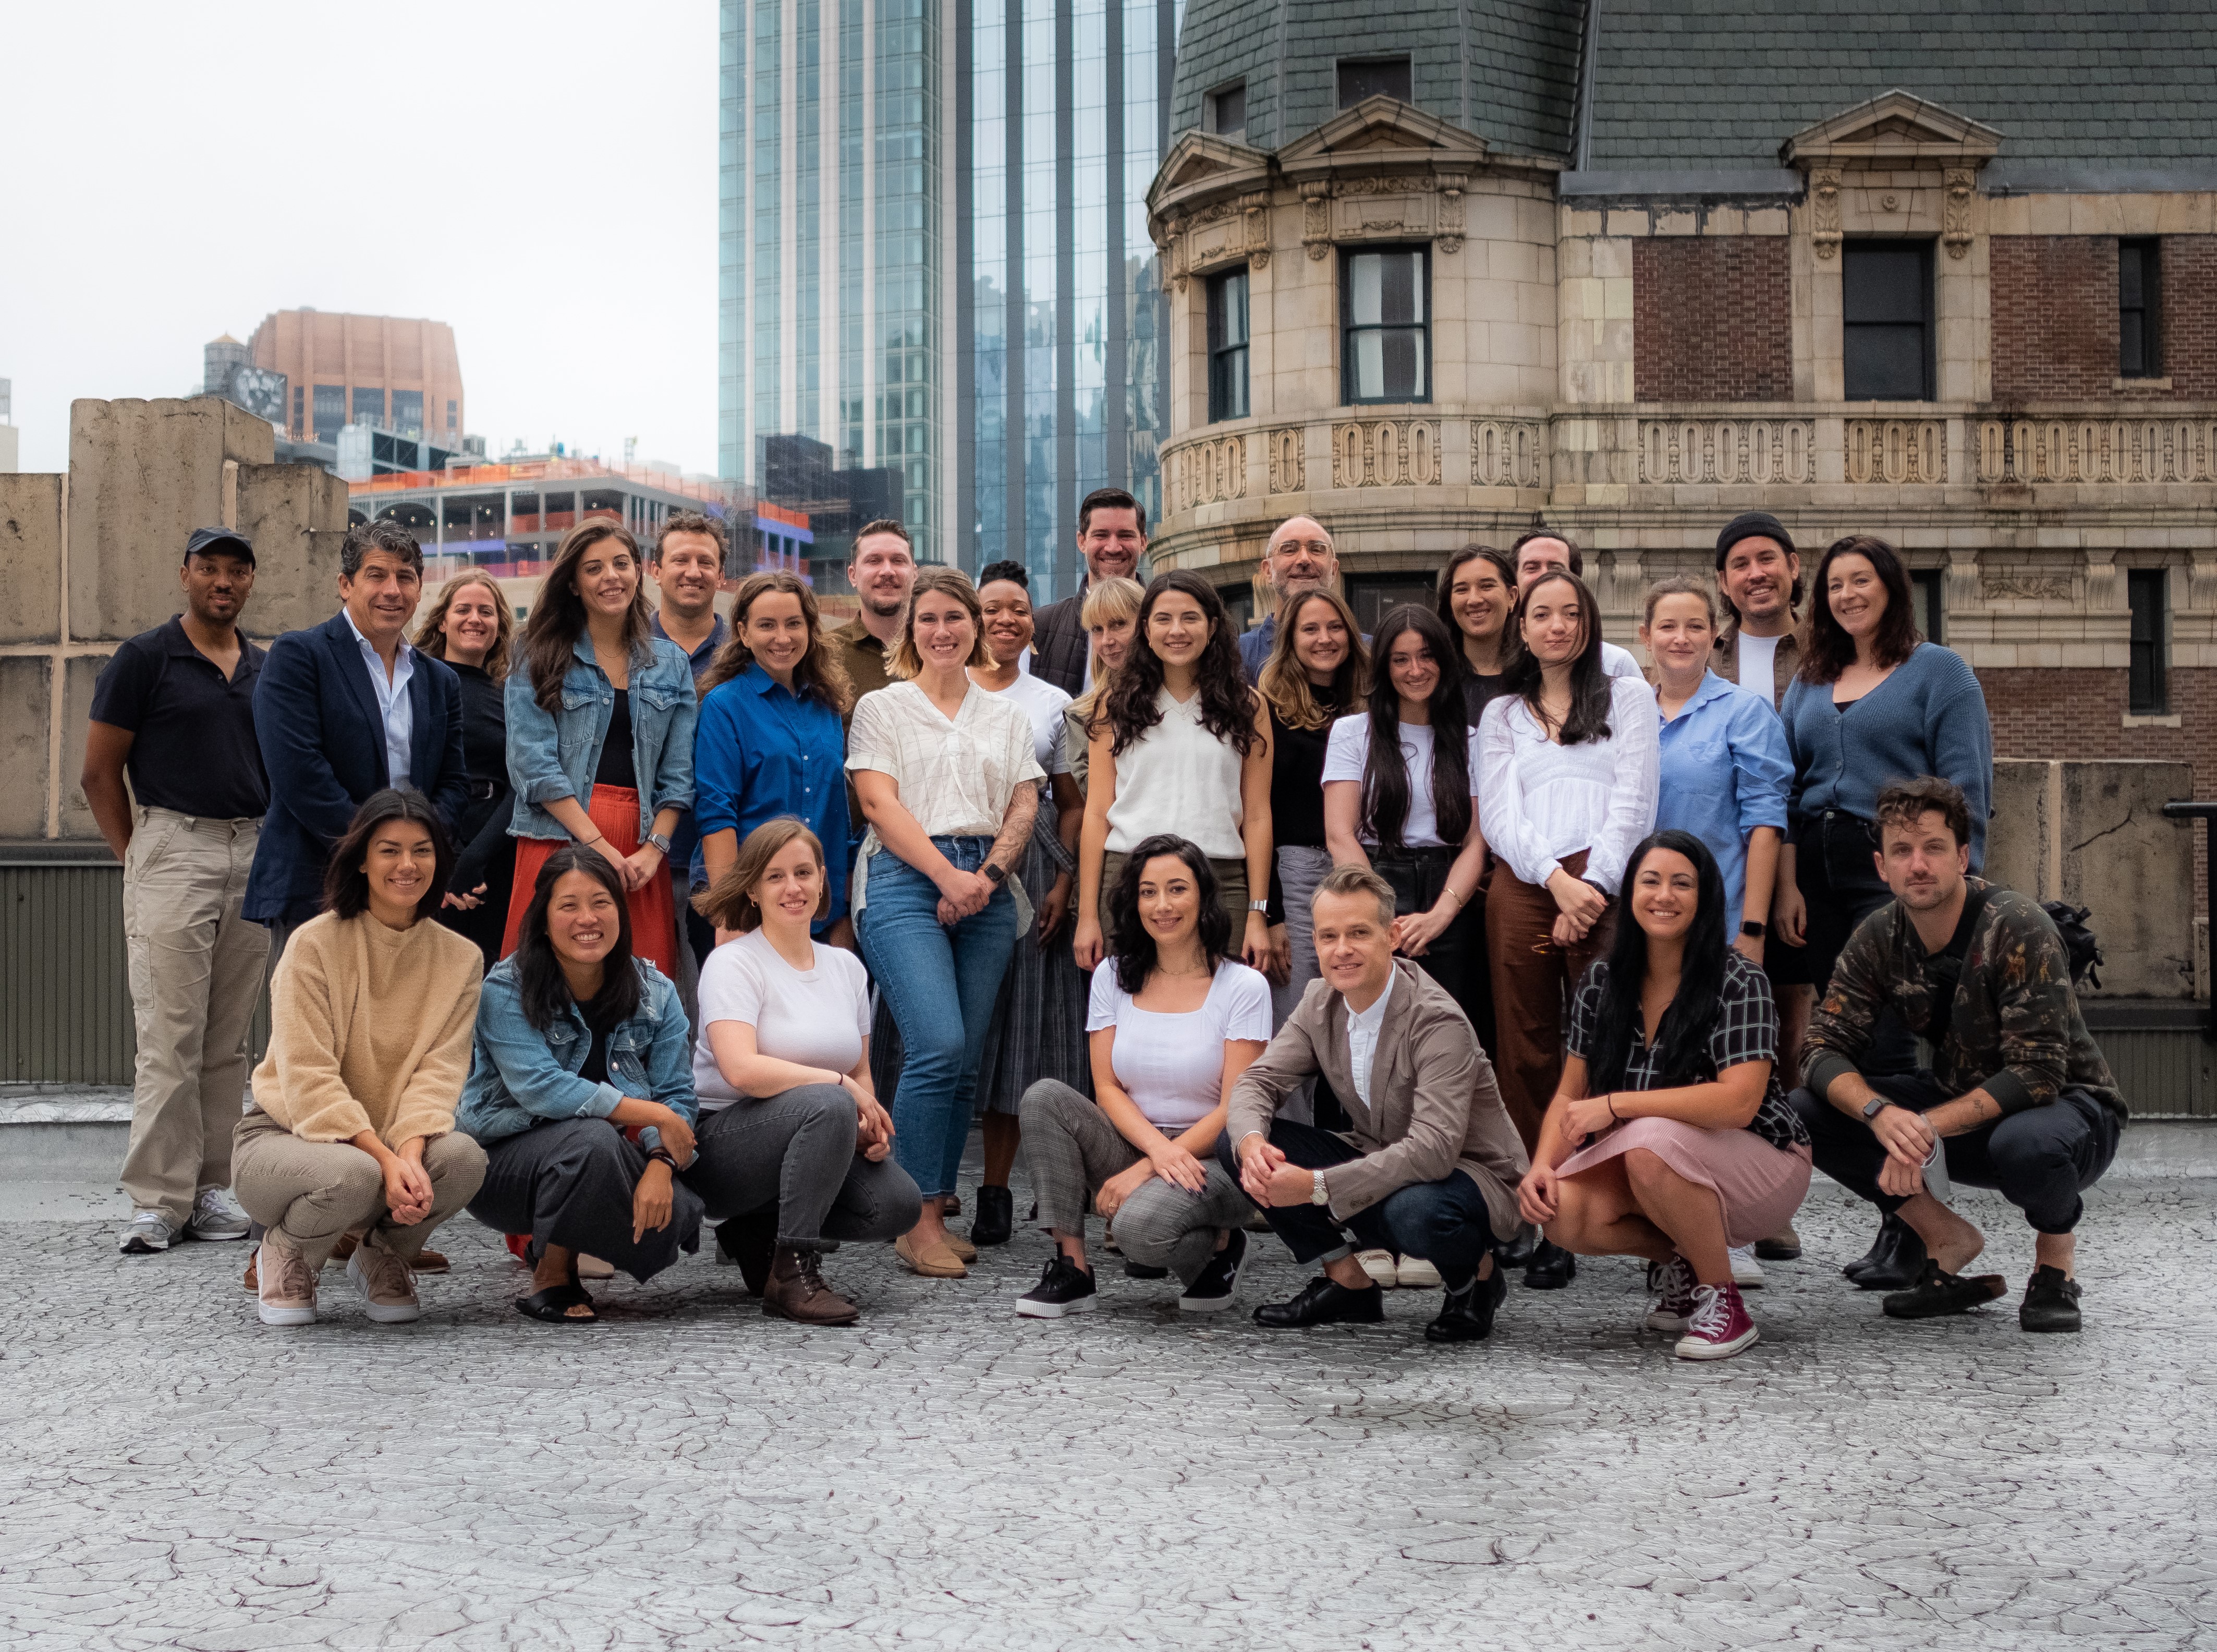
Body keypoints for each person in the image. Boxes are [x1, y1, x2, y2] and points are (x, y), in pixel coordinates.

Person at [1792, 779, 2123, 1334]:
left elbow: (2038, 1072)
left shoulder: (2016, 926)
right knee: (1804, 1112)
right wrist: (1882, 1115)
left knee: (2025, 1144)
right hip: (1963, 1108)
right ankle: (1944, 1237)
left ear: (1962, 856)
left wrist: (1921, 1127)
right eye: (1901, 851)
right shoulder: (1878, 936)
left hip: (2071, 1114)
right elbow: (1820, 1048)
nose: (1917, 865)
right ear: (1881, 866)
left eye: (1933, 848)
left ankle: (2055, 1261)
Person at [1774, 534, 1993, 1290]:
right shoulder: (1811, 678)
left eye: (1861, 581)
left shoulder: (1940, 673)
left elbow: (1966, 788)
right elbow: (1789, 782)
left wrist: (1961, 891)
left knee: (1893, 1061)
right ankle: (1907, 1221)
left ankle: (1914, 1230)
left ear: (1893, 588)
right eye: (1835, 585)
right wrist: (1789, 885)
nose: (1847, 595)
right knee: (1846, 1057)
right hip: (1819, 872)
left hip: (1894, 872)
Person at [1518, 831, 1812, 1361]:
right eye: (1650, 881)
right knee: (1560, 1210)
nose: (1664, 895)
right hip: (1660, 1161)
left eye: (1682, 884)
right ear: (1629, 892)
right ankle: (1686, 1265)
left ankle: (1725, 1304)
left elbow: (1738, 1104)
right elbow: (1570, 1092)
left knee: (1646, 1140)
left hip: (1764, 1163)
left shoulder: (1738, 979)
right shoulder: (1601, 982)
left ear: (1704, 899)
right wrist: (1541, 1165)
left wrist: (1616, 1106)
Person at [1221, 866, 1529, 1343]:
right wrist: (1253, 1142)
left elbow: (1433, 1150)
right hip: (1380, 1157)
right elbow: (1258, 1082)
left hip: (1471, 1176)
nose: (1341, 949)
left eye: (1359, 933)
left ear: (1392, 935)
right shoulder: (1319, 999)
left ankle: (1478, 1280)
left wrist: (1317, 1186)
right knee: (1240, 1145)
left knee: (1414, 1214)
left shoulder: (1436, 1019)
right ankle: (1349, 1284)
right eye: (1328, 936)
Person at [846, 566, 1041, 1278]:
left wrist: (984, 878)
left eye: (954, 618)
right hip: (904, 879)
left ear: (976, 625)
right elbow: (879, 804)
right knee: (936, 1042)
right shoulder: (884, 707)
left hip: (989, 886)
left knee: (964, 1064)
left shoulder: (1007, 715)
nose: (942, 631)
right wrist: (945, 875)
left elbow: (1024, 804)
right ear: (911, 630)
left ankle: (933, 1206)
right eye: (927, 619)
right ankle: (913, 1220)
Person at [233, 790, 488, 1327]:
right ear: (362, 860)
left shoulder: (460, 958)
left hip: (387, 1147)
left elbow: (440, 1073)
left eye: (422, 850)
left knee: (463, 1158)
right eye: (389, 850)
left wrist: (412, 1155)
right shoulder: (313, 945)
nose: (407, 865)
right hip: (283, 1141)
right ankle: (288, 1249)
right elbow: (309, 1078)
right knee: (352, 1173)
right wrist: (387, 1160)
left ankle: (382, 1254)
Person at [83, 526, 270, 1255]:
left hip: (250, 849)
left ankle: (213, 1188)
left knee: (226, 1042)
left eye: (237, 571)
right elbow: (100, 772)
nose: (223, 581)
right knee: (169, 1036)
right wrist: (139, 858)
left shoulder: (263, 665)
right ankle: (159, 1199)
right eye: (210, 568)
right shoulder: (145, 658)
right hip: (173, 843)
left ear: (251, 582)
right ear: (185, 573)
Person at [1479, 568, 1659, 1288]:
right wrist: (1553, 879)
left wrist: (1593, 886)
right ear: (1521, 628)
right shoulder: (1502, 716)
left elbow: (1635, 800)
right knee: (1525, 1048)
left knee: (1610, 1042)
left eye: (1570, 614)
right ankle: (1544, 1204)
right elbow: (1500, 813)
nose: (1556, 626)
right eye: (1542, 615)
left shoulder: (1628, 697)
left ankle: (1622, 1200)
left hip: (1608, 883)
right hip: (1526, 882)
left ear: (1588, 625)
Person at [1013, 836, 1270, 1317]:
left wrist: (1150, 1167)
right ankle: (1072, 1269)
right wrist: (1155, 1152)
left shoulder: (1243, 987)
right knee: (1045, 1097)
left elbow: (1237, 1108)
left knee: (1138, 1233)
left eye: (1177, 889)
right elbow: (1107, 1088)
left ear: (1204, 897)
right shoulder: (1112, 975)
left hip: (1215, 1157)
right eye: (1148, 892)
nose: (1162, 905)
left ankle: (1222, 1247)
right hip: (1140, 1141)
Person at [685, 820, 919, 1323]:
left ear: (821, 881)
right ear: (752, 888)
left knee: (897, 1205)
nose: (793, 888)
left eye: (804, 873)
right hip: (723, 1145)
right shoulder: (733, 963)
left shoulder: (846, 968)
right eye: (775, 876)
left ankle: (758, 1233)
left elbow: (859, 1068)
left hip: (816, 1126)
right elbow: (741, 1069)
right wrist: (839, 1090)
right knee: (829, 1100)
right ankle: (792, 1273)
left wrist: (867, 1126)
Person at [458, 845, 702, 1321]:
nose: (586, 918)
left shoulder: (658, 992)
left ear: (620, 911)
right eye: (568, 906)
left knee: (683, 1209)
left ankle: (598, 1233)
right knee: (590, 1136)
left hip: (597, 1159)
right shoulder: (506, 987)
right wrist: (655, 1115)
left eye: (601, 903)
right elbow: (542, 1089)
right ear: (544, 918)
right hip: (500, 1167)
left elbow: (677, 1093)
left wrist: (659, 1164)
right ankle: (551, 1273)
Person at [1638, 577, 1792, 1289]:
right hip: (1643, 928)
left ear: (1714, 636)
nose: (1680, 638)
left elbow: (1765, 823)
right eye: (1667, 626)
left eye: (1695, 626)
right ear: (1646, 636)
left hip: (1720, 924)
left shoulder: (1744, 711)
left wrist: (1752, 929)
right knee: (1654, 1071)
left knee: (1721, 1077)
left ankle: (1729, 1228)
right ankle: (1670, 1237)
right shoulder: (1624, 714)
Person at [243, 520, 469, 953]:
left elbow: (455, 783)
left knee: (402, 1021)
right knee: (318, 1021)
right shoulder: (299, 656)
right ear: (345, 585)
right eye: (377, 575)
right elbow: (299, 775)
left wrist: (415, 854)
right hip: (320, 882)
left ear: (420, 590)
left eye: (406, 578)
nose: (393, 590)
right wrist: (378, 851)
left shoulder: (440, 680)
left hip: (410, 889)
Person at [503, 519, 698, 980]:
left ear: (638, 573)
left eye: (621, 564)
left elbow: (680, 774)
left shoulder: (672, 662)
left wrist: (653, 850)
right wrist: (597, 847)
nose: (611, 576)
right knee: (544, 986)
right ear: (572, 582)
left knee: (643, 991)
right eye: (594, 568)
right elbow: (533, 763)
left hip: (641, 850)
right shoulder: (537, 650)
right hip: (556, 836)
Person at [967, 560, 1089, 1248]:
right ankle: (963, 1187)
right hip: (960, 861)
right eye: (993, 608)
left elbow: (1071, 805)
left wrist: (1065, 882)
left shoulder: (1053, 701)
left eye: (1019, 609)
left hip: (1038, 864)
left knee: (1029, 1037)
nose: (1007, 620)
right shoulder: (942, 691)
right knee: (976, 1033)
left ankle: (1013, 1192)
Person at [1074, 572, 1273, 976]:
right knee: (1133, 1014)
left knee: (1220, 1017)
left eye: (1190, 618)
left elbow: (1257, 815)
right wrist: (1088, 916)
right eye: (1163, 619)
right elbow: (1096, 814)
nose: (1177, 631)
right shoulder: (1113, 706)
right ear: (1146, 629)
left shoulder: (1247, 706)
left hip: (1222, 879)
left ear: (1213, 626)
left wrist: (1258, 913)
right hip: (1129, 877)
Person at [693, 571, 852, 942]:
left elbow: (837, 814)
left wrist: (839, 913)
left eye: (794, 624)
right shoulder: (725, 705)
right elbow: (717, 813)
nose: (783, 638)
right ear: (744, 633)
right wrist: (729, 915)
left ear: (811, 629)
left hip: (819, 911)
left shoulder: (827, 707)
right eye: (767, 625)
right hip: (753, 909)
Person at [1256, 586, 1369, 1047]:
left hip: (1363, 867)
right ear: (1290, 639)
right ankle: (1295, 1123)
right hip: (1297, 872)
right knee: (1298, 1020)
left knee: (1360, 1016)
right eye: (1310, 629)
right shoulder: (1268, 710)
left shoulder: (1373, 706)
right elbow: (1258, 812)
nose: (1324, 639)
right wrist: (1272, 914)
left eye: (1335, 627)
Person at [415, 572, 518, 969]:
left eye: (486, 612)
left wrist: (475, 858)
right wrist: (448, 858)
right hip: (431, 850)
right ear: (442, 620)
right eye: (463, 609)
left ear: (499, 627)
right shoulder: (416, 683)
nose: (475, 619)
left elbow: (523, 782)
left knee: (492, 978)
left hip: (499, 850)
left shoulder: (513, 694)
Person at [648, 511, 734, 967]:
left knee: (714, 1008)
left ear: (722, 575)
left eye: (706, 562)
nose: (694, 572)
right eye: (681, 560)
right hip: (639, 857)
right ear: (656, 570)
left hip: (723, 862)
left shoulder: (745, 654)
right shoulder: (624, 647)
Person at [1031, 488, 1149, 696]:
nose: (1113, 547)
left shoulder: (1166, 623)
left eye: (1125, 535)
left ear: (1143, 542)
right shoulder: (1039, 628)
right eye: (1101, 535)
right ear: (1082, 541)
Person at [1508, 529, 1647, 683]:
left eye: (1556, 568)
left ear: (1575, 581)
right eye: (1532, 568)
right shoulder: (1494, 663)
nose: (1545, 576)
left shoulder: (1616, 665)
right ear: (1515, 581)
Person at [1058, 574, 1145, 795]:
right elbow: (1097, 801)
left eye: (1119, 624)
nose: (1107, 640)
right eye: (1097, 629)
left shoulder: (1186, 695)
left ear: (1146, 626)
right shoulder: (1082, 715)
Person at [1238, 515, 1349, 683]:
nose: (1304, 559)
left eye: (1317, 549)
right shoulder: (1236, 654)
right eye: (1289, 549)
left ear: (1334, 570)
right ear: (1268, 570)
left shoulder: (1369, 652)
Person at [1711, 512, 1803, 711]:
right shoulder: (1706, 663)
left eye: (1767, 559)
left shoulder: (1830, 650)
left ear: (1793, 566)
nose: (1756, 574)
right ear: (1724, 582)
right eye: (1741, 565)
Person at [1435, 542, 1521, 725]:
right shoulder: (1433, 678)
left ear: (1512, 597)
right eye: (1461, 589)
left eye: (1487, 586)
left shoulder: (1538, 676)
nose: (1474, 599)